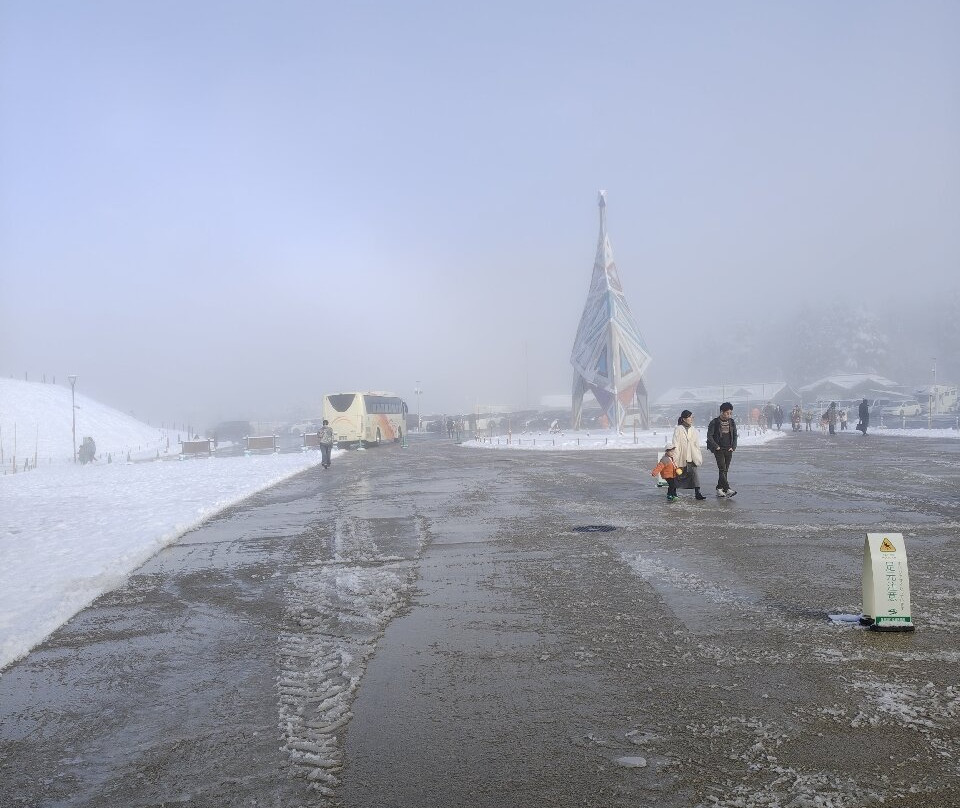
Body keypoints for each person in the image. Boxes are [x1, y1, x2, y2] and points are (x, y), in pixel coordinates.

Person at [672, 410, 707, 500]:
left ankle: (697, 492)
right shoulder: (678, 429)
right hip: (681, 455)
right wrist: (675, 455)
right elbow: (675, 443)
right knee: (678, 474)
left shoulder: (693, 430)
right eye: (690, 417)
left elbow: (696, 444)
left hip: (692, 455)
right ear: (684, 419)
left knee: (694, 473)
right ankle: (673, 491)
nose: (691, 419)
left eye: (692, 417)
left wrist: (698, 454)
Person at [706, 402, 738, 497]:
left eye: (730, 413)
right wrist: (716, 446)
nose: (729, 415)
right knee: (722, 468)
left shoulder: (731, 422)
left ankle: (720, 488)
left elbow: (735, 435)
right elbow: (709, 436)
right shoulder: (714, 422)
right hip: (719, 449)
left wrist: (733, 446)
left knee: (725, 470)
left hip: (729, 449)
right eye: (727, 413)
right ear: (721, 412)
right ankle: (727, 489)